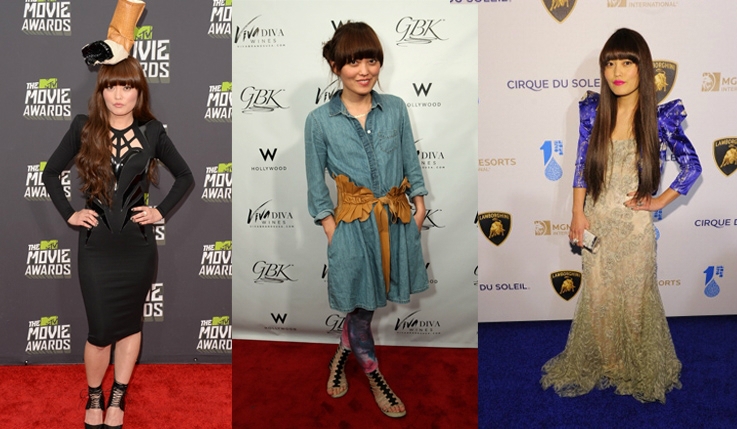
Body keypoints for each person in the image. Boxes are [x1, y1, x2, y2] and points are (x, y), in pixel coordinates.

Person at [540, 28, 701, 403]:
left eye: (627, 62)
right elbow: (581, 166)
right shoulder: (593, 111)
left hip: (633, 228)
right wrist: (577, 214)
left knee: (635, 300)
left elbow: (692, 167)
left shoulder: (660, 118)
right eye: (610, 63)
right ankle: (609, 363)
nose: (617, 71)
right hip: (596, 221)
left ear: (642, 67)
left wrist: (658, 202)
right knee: (598, 297)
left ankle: (636, 364)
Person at [43, 55, 193, 428]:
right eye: (111, 86)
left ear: (138, 91)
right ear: (101, 90)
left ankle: (118, 396)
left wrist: (160, 212)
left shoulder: (152, 131)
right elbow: (50, 173)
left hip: (137, 247)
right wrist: (70, 214)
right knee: (99, 333)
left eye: (127, 86)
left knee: (129, 325)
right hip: (96, 247)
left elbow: (185, 176)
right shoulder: (83, 127)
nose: (119, 95)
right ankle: (95, 394)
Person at [304, 22, 429, 418]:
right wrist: (331, 229)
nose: (364, 71)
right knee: (360, 307)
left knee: (365, 307)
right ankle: (374, 374)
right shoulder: (319, 121)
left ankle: (340, 356)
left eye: (371, 61)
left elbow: (410, 158)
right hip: (351, 225)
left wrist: (420, 202)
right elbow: (315, 184)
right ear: (334, 66)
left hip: (395, 217)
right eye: (354, 62)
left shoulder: (395, 108)